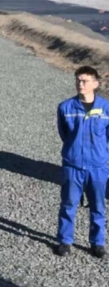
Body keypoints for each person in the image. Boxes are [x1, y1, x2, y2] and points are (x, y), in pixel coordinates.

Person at [55, 66, 109, 258]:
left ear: (95, 83)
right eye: (78, 80)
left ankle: (97, 243)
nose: (80, 84)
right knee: (68, 205)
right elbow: (64, 134)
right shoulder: (65, 107)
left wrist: (100, 154)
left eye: (85, 81)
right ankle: (65, 241)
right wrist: (74, 151)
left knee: (98, 207)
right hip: (73, 166)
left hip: (98, 167)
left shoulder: (106, 108)